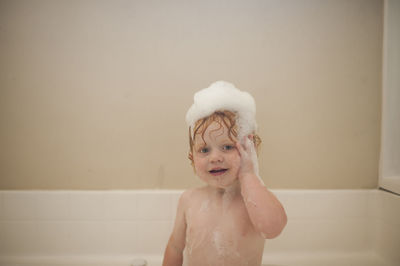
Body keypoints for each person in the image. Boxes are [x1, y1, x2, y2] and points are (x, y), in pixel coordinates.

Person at [162, 81, 287, 266]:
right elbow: (175, 247)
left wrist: (248, 175)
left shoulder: (254, 201)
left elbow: (273, 229)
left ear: (248, 150)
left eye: (227, 147)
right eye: (204, 150)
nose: (215, 158)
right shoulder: (188, 199)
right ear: (192, 158)